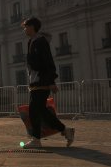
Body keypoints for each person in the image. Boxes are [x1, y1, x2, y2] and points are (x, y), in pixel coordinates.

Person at [22, 17, 75, 148]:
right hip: (35, 82)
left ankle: (36, 139)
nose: (24, 29)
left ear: (32, 26)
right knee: (41, 111)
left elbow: (48, 61)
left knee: (34, 110)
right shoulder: (31, 42)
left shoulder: (40, 42)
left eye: (26, 27)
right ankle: (65, 130)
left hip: (42, 81)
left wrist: (51, 81)